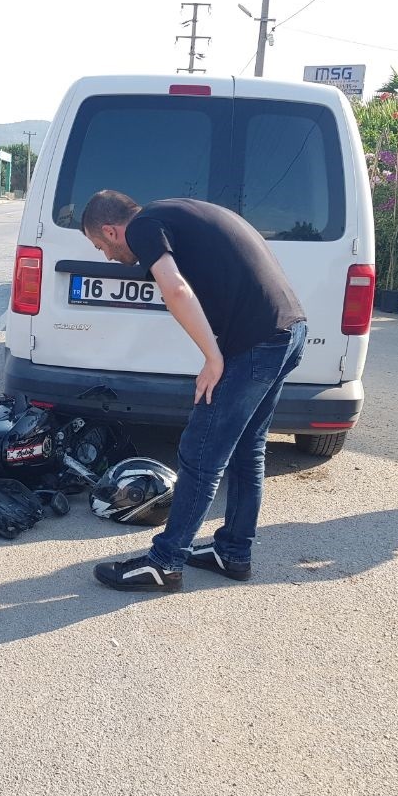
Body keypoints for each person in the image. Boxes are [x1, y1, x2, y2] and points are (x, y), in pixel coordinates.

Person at [82, 190, 307, 592]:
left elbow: (176, 290)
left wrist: (213, 358)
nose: (107, 256)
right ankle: (233, 552)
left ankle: (165, 564)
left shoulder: (143, 227)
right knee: (247, 449)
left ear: (112, 230)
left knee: (201, 452)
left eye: (101, 246)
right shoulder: (174, 212)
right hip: (288, 331)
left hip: (258, 342)